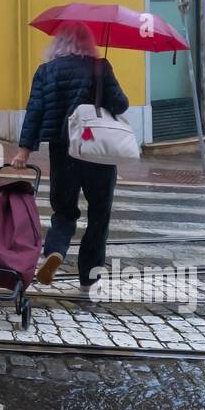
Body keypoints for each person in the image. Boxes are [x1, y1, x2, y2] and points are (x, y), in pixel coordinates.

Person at [11, 21, 129, 290]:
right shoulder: (101, 68)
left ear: (58, 43)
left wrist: (24, 151)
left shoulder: (46, 72)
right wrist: (102, 82)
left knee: (64, 210)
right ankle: (89, 277)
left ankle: (55, 250)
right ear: (88, 43)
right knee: (99, 214)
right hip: (98, 151)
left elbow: (34, 112)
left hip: (64, 150)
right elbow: (121, 104)